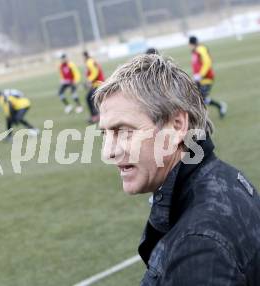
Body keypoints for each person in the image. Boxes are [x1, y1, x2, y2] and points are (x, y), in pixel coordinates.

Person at [95, 54, 260, 285]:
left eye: (123, 131)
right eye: (105, 134)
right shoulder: (225, 176)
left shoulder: (198, 246)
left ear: (176, 126)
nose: (108, 152)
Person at [189, 35, 227, 118]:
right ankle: (219, 106)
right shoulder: (195, 51)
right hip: (199, 79)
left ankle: (217, 108)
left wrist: (200, 75)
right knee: (199, 98)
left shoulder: (200, 49)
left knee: (200, 98)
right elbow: (197, 65)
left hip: (206, 78)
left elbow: (207, 62)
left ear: (191, 44)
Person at [83, 51, 104, 124]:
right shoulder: (91, 61)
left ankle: (96, 116)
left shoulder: (89, 62)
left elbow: (95, 72)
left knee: (90, 98)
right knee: (89, 98)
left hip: (97, 83)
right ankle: (95, 116)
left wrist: (89, 80)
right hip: (97, 83)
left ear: (84, 56)